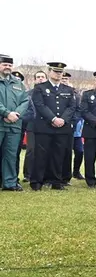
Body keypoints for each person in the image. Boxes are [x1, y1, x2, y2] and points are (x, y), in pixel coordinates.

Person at [30, 62, 77, 191]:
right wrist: (53, 118)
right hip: (44, 126)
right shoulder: (40, 88)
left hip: (62, 127)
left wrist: (63, 119)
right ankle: (37, 181)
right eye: (56, 71)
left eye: (60, 72)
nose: (58, 74)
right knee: (41, 154)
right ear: (49, 72)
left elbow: (72, 107)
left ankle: (56, 181)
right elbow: (40, 105)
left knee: (59, 154)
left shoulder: (68, 89)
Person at [0, 55, 28, 191]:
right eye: (4, 64)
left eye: (10, 65)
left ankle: (9, 183)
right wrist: (6, 113)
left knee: (10, 155)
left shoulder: (18, 83)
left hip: (14, 125)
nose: (7, 67)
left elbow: (25, 101)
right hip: (1, 123)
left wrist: (15, 114)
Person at [22, 70, 48, 182]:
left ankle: (44, 174)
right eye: (38, 77)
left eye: (42, 77)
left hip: (46, 125)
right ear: (34, 79)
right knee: (31, 150)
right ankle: (28, 174)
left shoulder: (49, 93)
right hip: (32, 125)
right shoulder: (28, 93)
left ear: (46, 79)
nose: (40, 78)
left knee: (45, 150)